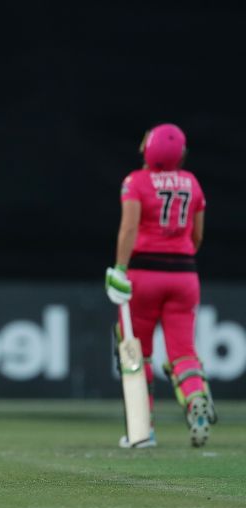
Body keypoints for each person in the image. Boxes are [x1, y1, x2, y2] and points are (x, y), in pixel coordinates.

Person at [105, 123, 217, 448]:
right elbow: (196, 237)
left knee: (137, 352)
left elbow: (129, 229)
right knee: (183, 351)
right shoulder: (192, 182)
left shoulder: (136, 181)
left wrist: (121, 268)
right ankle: (195, 397)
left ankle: (142, 430)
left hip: (144, 273)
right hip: (184, 275)